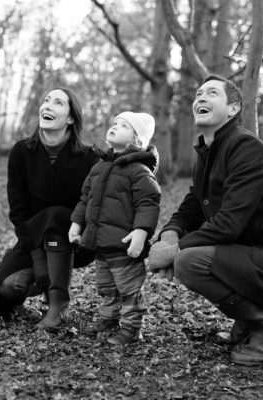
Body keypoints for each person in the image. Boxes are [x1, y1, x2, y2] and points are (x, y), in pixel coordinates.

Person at [148, 74, 263, 366]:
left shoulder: (246, 147)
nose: (200, 98)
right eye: (198, 94)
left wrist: (175, 252)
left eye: (211, 93)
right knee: (185, 253)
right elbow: (192, 205)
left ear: (234, 108)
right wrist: (170, 233)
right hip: (245, 254)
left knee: (189, 262)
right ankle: (246, 322)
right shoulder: (208, 152)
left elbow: (229, 223)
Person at [0, 87, 100, 329]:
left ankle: (58, 306)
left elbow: (94, 209)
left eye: (58, 103)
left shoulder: (89, 158)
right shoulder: (21, 152)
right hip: (33, 240)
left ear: (70, 118)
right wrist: (38, 259)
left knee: (55, 215)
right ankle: (30, 295)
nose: (47, 106)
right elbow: (18, 212)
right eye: (46, 100)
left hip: (74, 241)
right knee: (8, 286)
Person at [69, 112, 161, 345]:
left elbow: (147, 204)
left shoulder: (139, 170)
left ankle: (132, 328)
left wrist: (141, 233)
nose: (114, 126)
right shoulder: (99, 168)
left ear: (136, 140)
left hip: (123, 244)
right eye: (114, 123)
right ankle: (109, 318)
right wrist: (76, 223)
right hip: (101, 243)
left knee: (129, 288)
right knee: (106, 286)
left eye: (123, 126)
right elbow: (85, 199)